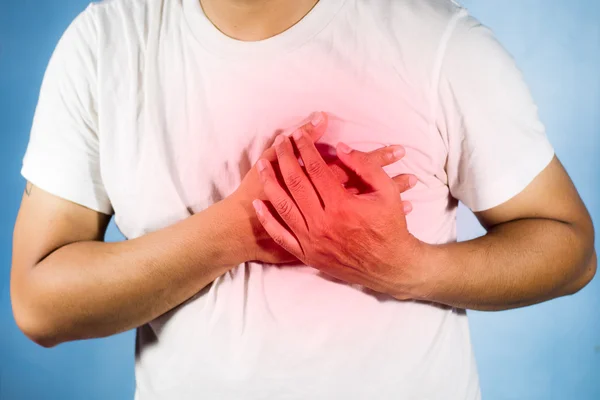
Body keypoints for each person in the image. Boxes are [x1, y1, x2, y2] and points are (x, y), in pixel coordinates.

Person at [11, 0, 596, 399]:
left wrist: (409, 268)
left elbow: (571, 250)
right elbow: (40, 304)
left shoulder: (435, 39)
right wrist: (237, 231)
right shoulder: (104, 43)